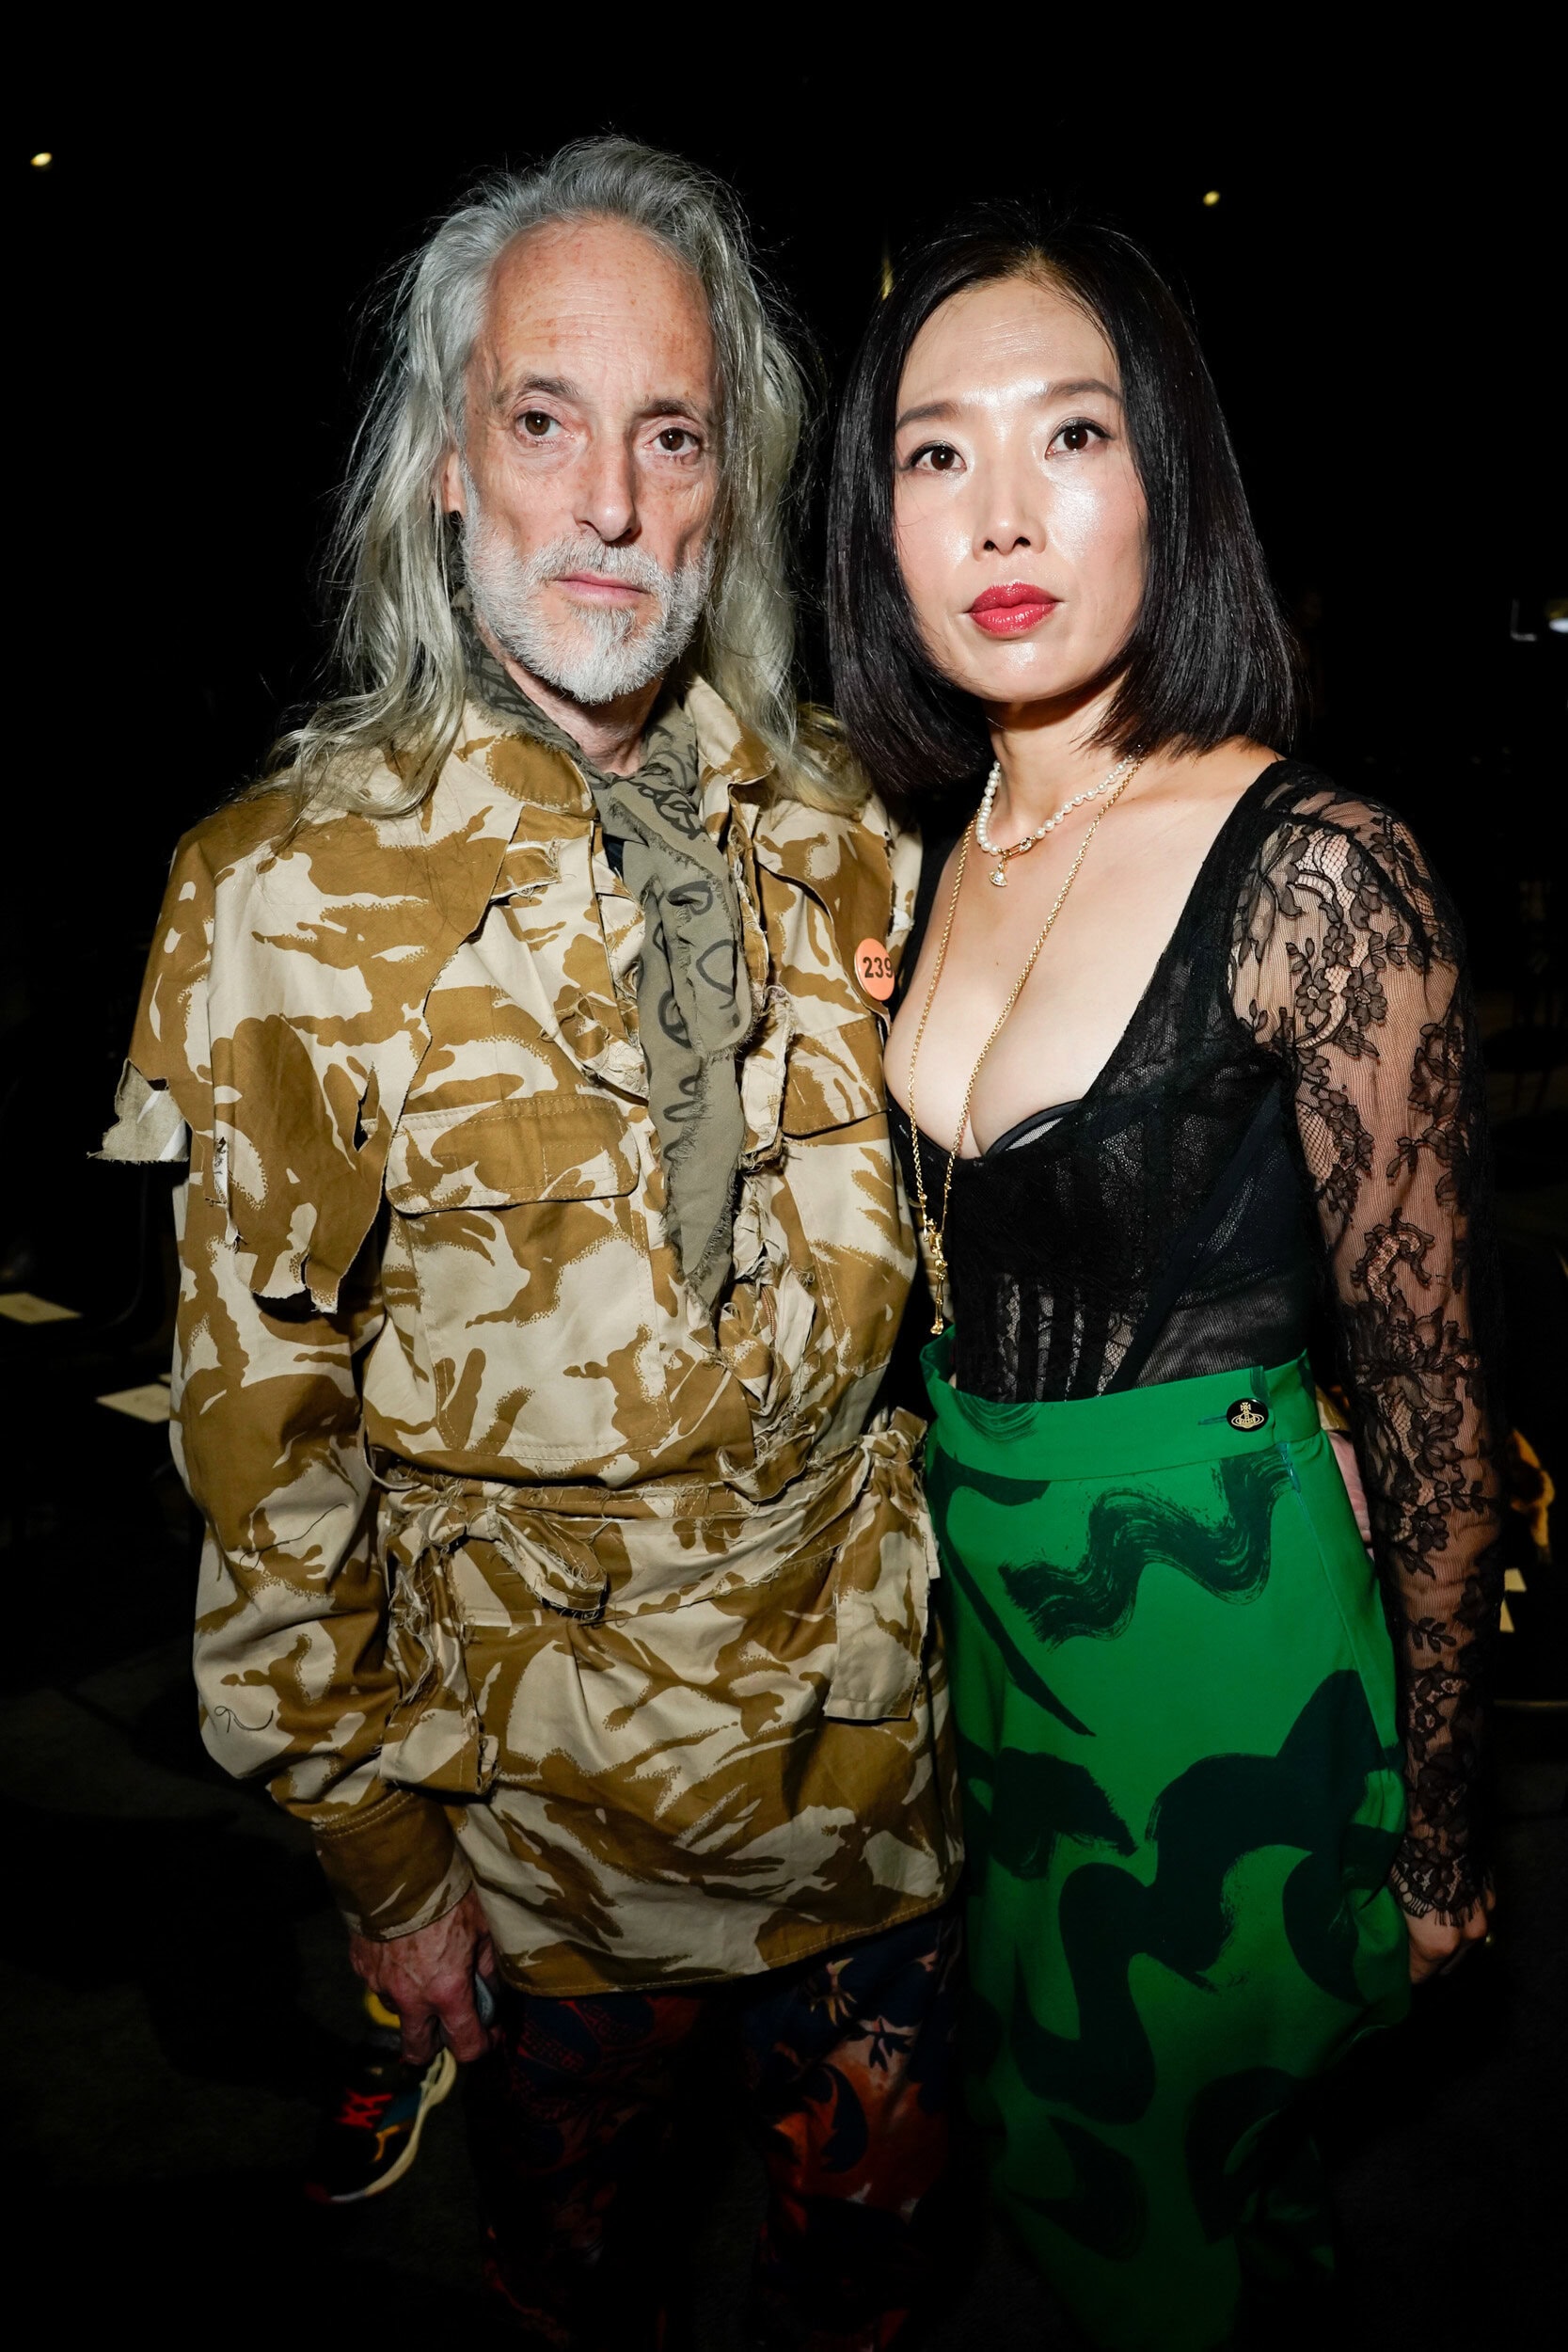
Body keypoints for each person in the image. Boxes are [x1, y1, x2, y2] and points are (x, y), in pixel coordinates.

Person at [102, 140, 959, 2348]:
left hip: (877, 1805)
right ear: (444, 462)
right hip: (539, 1852)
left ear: (728, 487)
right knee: (568, 2303)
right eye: (543, 418)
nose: (608, 502)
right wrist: (386, 1862)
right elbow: (260, 1438)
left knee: (867, 2299)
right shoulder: (278, 889)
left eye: (671, 435)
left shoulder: (842, 826)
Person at [826, 215, 1502, 2349]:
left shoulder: (1323, 874)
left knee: (1143, 2180)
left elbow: (1434, 1398)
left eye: (1073, 434)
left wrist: (1446, 1825)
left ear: (1170, 479)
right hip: (997, 1627)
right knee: (1111, 2163)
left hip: (1219, 1645)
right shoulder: (929, 851)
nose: (1001, 515)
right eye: (936, 454)